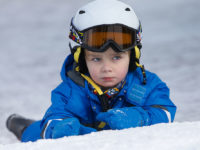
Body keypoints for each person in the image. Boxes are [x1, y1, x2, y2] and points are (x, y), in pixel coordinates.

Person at [6, 0, 176, 142]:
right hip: (80, 134)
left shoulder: (147, 84)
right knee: (35, 132)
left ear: (132, 56)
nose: (107, 68)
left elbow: (165, 112)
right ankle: (22, 125)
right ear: (81, 59)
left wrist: (140, 118)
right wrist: (60, 128)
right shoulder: (69, 91)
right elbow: (55, 117)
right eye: (96, 59)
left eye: (116, 57)